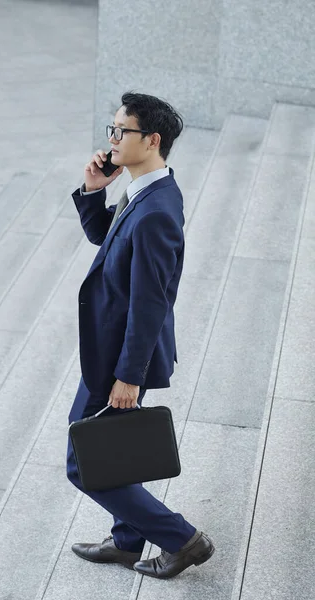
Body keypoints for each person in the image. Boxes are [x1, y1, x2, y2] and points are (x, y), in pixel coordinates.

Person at [67, 92, 214, 579]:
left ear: (151, 140)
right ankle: (128, 541)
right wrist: (93, 192)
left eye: (120, 132)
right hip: (113, 350)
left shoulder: (154, 211)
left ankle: (182, 539)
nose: (111, 140)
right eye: (111, 130)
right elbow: (108, 240)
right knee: (107, 449)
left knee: (82, 461)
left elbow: (151, 301)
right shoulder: (148, 188)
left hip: (121, 357)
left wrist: (128, 377)